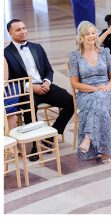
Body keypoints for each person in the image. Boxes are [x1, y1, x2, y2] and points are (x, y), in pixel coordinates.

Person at [4, 19, 76, 162]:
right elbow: (10, 80)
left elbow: (49, 70)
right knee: (30, 109)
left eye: (24, 28)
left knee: (71, 102)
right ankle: (36, 145)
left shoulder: (37, 47)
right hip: (26, 90)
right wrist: (30, 87)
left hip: (44, 86)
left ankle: (50, 136)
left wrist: (47, 82)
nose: (23, 31)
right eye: (18, 30)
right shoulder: (6, 53)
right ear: (10, 33)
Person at [68, 22, 111, 164]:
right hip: (86, 93)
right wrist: (95, 89)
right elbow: (75, 83)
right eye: (87, 33)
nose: (91, 36)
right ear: (81, 37)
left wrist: (108, 86)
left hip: (107, 91)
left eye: (93, 32)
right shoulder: (75, 56)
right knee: (100, 107)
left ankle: (88, 138)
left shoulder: (105, 52)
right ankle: (106, 152)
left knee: (101, 100)